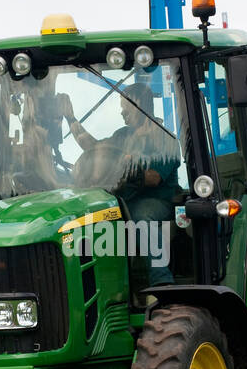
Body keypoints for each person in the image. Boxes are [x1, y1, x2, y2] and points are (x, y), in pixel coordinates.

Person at [59, 83, 180, 285]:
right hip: (123, 198)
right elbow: (94, 147)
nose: (122, 112)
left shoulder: (165, 138)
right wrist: (70, 118)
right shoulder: (123, 135)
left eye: (126, 107)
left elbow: (154, 178)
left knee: (142, 216)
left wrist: (132, 168)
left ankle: (162, 281)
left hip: (155, 200)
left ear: (140, 104)